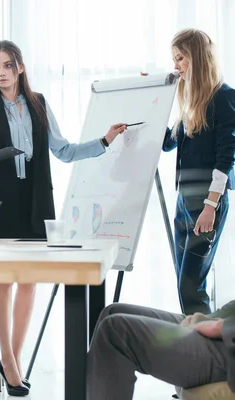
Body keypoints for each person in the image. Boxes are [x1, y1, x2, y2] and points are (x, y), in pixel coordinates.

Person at [0, 40, 127, 396]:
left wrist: (105, 141)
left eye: (7, 65)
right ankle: (8, 360)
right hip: (1, 203)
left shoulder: (39, 105)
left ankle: (10, 363)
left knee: (30, 281)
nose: (1, 73)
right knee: (3, 280)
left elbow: (63, 151)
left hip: (36, 202)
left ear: (20, 67)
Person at [160, 29, 235, 315]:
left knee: (190, 286)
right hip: (184, 201)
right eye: (174, 59)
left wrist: (210, 205)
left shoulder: (225, 97)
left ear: (197, 58)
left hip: (206, 202)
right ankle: (197, 350)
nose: (176, 65)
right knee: (185, 282)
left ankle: (208, 354)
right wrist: (154, 97)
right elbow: (168, 143)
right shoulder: (190, 103)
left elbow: (226, 157)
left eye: (180, 58)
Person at [87, 301, 235, 399]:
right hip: (228, 324)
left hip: (229, 347)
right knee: (112, 311)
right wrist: (214, 318)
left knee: (116, 332)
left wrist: (220, 327)